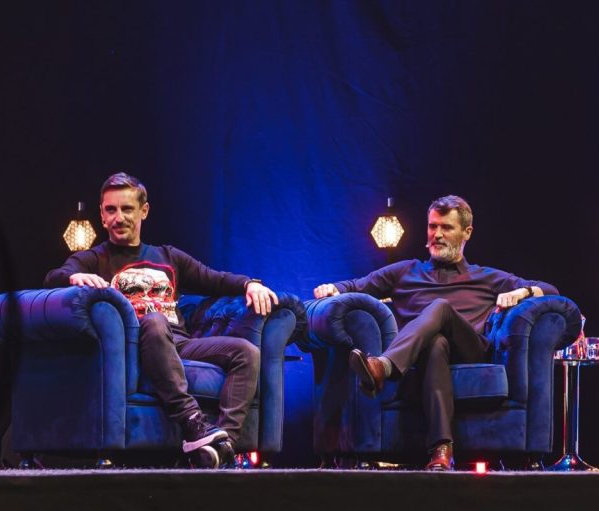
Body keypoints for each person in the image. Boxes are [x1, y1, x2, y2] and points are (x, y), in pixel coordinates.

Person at [44, 172, 279, 468]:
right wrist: (73, 276)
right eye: (110, 210)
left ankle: (221, 446)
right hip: (135, 347)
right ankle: (193, 423)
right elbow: (53, 277)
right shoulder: (94, 259)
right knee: (153, 321)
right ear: (102, 216)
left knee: (247, 352)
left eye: (127, 209)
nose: (118, 218)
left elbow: (215, 279)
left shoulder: (168, 256)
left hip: (178, 343)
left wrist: (250, 283)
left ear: (144, 211)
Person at [313, 195, 559, 471]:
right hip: (421, 357)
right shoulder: (405, 271)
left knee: (440, 308)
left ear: (467, 233)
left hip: (470, 352)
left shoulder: (488, 277)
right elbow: (356, 286)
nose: (437, 234)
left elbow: (550, 291)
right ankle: (441, 451)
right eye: (432, 226)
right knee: (435, 343)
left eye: (446, 228)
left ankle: (384, 366)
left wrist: (524, 291)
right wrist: (332, 290)